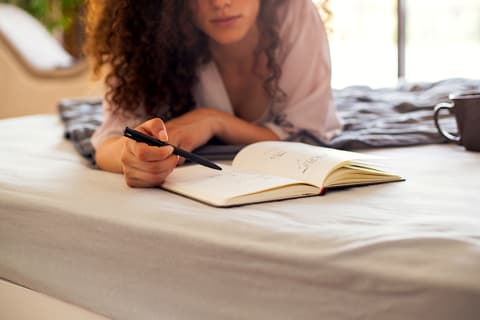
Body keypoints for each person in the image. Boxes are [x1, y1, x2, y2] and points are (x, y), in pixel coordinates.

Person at [86, 0, 342, 188]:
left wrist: (213, 120)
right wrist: (134, 157)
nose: (220, 3)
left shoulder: (293, 12)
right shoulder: (146, 34)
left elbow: (308, 134)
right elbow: (109, 141)